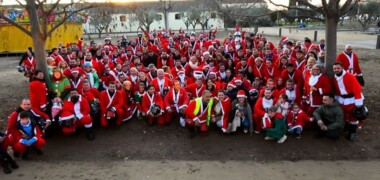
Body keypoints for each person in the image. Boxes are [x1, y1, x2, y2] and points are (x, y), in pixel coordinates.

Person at [332, 62, 364, 141]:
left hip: (352, 100)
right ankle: (346, 129)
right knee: (345, 116)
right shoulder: (334, 78)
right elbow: (336, 90)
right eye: (335, 68)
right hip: (342, 100)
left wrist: (358, 104)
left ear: (342, 68)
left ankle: (352, 133)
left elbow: (357, 89)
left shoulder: (350, 76)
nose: (336, 70)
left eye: (338, 68)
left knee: (353, 117)